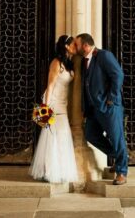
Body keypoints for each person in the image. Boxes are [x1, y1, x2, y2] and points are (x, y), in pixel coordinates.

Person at [75, 33, 129, 185]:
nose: (76, 47)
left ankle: (121, 172)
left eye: (77, 44)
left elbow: (118, 75)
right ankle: (119, 156)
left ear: (86, 45)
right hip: (93, 109)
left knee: (117, 138)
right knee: (91, 135)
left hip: (109, 107)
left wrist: (111, 99)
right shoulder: (84, 61)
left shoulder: (104, 55)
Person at [29, 35, 79, 184]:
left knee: (63, 137)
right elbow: (50, 86)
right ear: (66, 46)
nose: (76, 47)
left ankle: (60, 170)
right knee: (51, 138)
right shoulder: (56, 63)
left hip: (63, 104)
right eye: (73, 45)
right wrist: (45, 108)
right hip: (54, 103)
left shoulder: (69, 64)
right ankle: (49, 172)